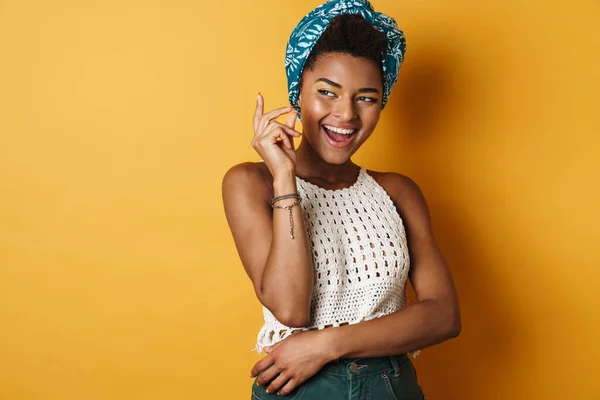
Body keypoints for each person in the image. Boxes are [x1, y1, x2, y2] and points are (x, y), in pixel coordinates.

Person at [222, 1, 461, 398]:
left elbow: (444, 315)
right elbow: (291, 309)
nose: (346, 114)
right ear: (298, 92)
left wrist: (323, 345)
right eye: (327, 93)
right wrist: (285, 176)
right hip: (301, 389)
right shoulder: (251, 182)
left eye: (366, 97)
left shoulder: (398, 191)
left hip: (390, 386)